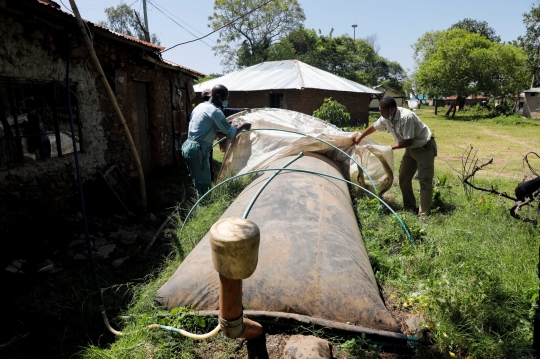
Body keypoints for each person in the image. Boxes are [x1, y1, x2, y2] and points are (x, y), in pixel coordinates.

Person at [353, 96, 437, 215]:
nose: (380, 113)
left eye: (382, 111)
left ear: (392, 109)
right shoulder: (386, 117)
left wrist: (388, 148)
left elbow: (408, 141)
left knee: (425, 181)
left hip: (424, 148)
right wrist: (359, 137)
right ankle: (409, 207)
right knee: (404, 179)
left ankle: (423, 214)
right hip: (411, 150)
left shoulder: (406, 117)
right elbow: (373, 127)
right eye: (380, 110)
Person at [183, 84, 251, 198]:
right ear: (218, 96)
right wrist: (244, 126)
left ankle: (201, 205)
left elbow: (204, 129)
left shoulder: (199, 107)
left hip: (188, 147)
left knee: (198, 181)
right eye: (225, 98)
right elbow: (231, 133)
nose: (225, 101)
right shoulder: (215, 112)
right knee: (204, 184)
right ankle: (205, 207)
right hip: (199, 149)